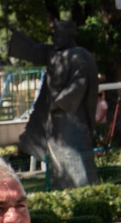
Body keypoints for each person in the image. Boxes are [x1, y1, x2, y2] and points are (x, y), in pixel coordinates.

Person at [9, 20, 99, 189]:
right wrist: (12, 31)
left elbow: (79, 84)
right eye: (53, 35)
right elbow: (33, 50)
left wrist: (58, 102)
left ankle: (83, 191)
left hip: (71, 115)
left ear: (68, 35)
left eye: (58, 34)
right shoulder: (54, 53)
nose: (54, 38)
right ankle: (63, 190)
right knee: (58, 158)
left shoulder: (79, 55)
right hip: (54, 119)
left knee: (74, 152)